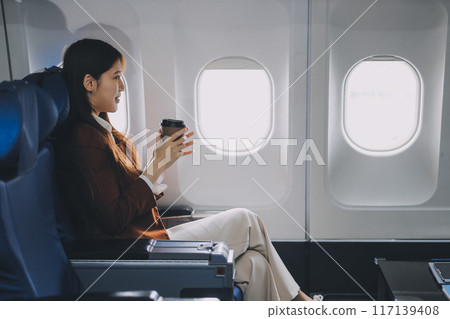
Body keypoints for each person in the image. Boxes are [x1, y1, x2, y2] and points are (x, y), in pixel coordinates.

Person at [54, 38, 311, 301]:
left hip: (146, 238)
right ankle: (303, 303)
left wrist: (159, 163)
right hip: (134, 251)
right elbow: (113, 218)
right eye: (116, 77)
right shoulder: (83, 139)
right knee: (246, 221)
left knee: (255, 266)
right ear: (89, 83)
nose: (122, 87)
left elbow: (129, 194)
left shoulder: (104, 131)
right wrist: (154, 169)